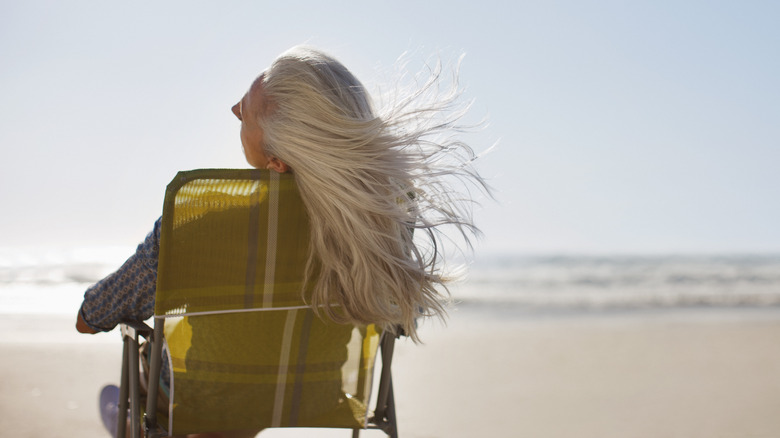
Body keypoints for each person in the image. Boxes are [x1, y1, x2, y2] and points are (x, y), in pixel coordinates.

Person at [77, 45, 489, 435]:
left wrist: (92, 315)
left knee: (167, 368)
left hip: (198, 397)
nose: (234, 109)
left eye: (247, 111)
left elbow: (94, 315)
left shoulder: (201, 224)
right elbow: (403, 317)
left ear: (276, 159)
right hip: (312, 393)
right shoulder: (377, 228)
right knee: (256, 376)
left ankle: (133, 425)